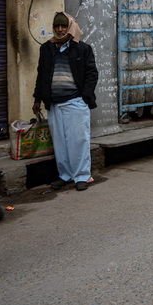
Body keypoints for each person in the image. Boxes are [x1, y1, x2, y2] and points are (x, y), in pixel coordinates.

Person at [33, 12, 98, 191]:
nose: (59, 30)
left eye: (63, 26)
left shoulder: (82, 48)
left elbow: (92, 74)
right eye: (56, 26)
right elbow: (42, 75)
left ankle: (82, 176)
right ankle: (66, 175)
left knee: (78, 141)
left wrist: (85, 96)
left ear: (69, 28)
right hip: (54, 104)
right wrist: (37, 98)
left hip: (75, 102)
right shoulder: (46, 48)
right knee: (60, 143)